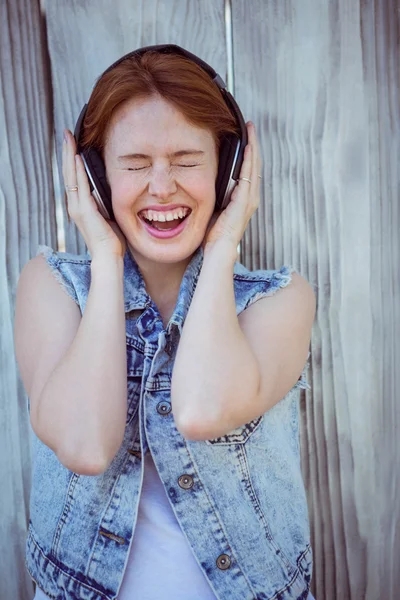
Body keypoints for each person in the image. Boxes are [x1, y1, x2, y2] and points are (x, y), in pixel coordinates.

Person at [14, 45, 316, 600]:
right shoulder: (50, 288)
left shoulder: (280, 301)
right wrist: (105, 261)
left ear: (228, 169)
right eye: (133, 165)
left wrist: (225, 241)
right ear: (97, 179)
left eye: (185, 160)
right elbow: (85, 445)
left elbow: (203, 409)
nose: (161, 186)